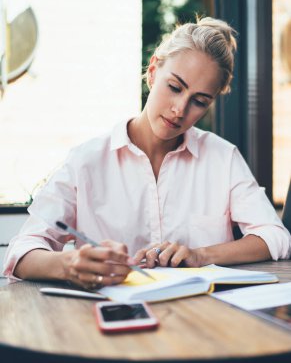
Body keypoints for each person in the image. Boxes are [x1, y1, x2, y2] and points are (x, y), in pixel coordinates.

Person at [3, 16, 291, 290]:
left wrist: (201, 255)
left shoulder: (222, 157)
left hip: (205, 322)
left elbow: (276, 237)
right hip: (110, 323)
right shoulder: (87, 161)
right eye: (174, 87)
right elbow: (21, 253)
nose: (180, 110)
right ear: (153, 72)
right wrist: (71, 263)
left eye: (200, 101)